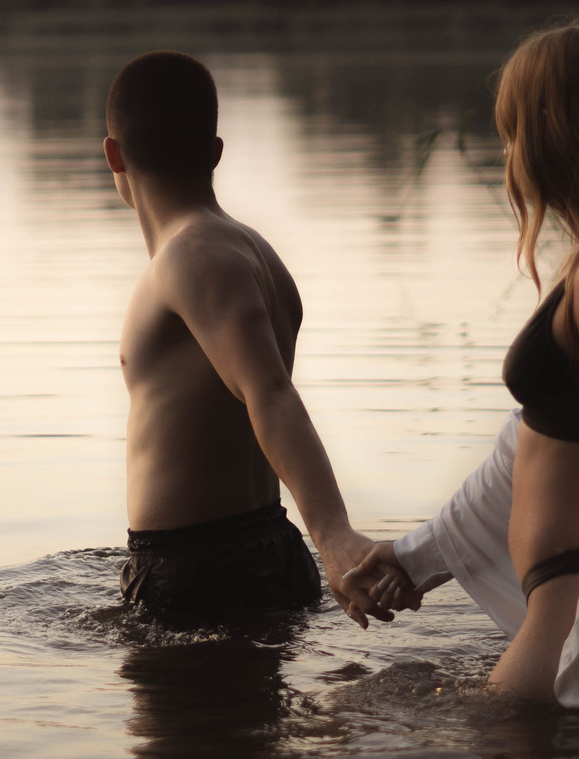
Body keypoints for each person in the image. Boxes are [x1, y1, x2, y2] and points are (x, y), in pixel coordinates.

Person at [347, 20, 579, 724]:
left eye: (514, 129)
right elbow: (532, 446)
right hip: (560, 608)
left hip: (569, 619)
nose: (507, 151)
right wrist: (412, 556)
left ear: (561, 129)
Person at [107, 50, 389, 629]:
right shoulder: (251, 251)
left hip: (193, 572)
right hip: (264, 549)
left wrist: (333, 536)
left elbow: (269, 392)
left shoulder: (193, 254)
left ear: (113, 153)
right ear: (214, 152)